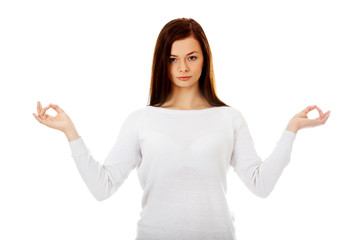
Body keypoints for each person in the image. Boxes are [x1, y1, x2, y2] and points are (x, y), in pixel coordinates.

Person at [33, 18, 330, 240]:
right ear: (163, 63)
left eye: (191, 57)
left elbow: (260, 184)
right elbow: (103, 187)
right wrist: (69, 132)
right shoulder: (142, 119)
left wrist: (293, 129)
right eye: (173, 59)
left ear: (204, 59)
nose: (183, 68)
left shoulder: (229, 118)